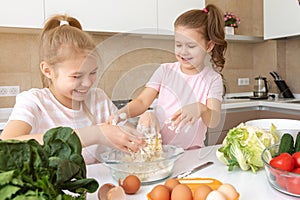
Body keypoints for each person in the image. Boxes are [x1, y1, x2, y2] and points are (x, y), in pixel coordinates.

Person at [0, 14, 143, 164]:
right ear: (48, 70)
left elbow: (128, 135)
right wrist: (95, 134)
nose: (88, 83)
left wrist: (144, 125)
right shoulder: (35, 102)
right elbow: (7, 146)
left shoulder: (98, 99)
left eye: (93, 73)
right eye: (76, 76)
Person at [112, 4, 227, 150]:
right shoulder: (165, 70)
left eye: (191, 46)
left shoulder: (212, 79)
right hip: (160, 151)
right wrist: (122, 112)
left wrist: (201, 108)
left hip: (191, 153)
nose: (183, 51)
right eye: (178, 44)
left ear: (209, 46)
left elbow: (214, 120)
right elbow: (141, 102)